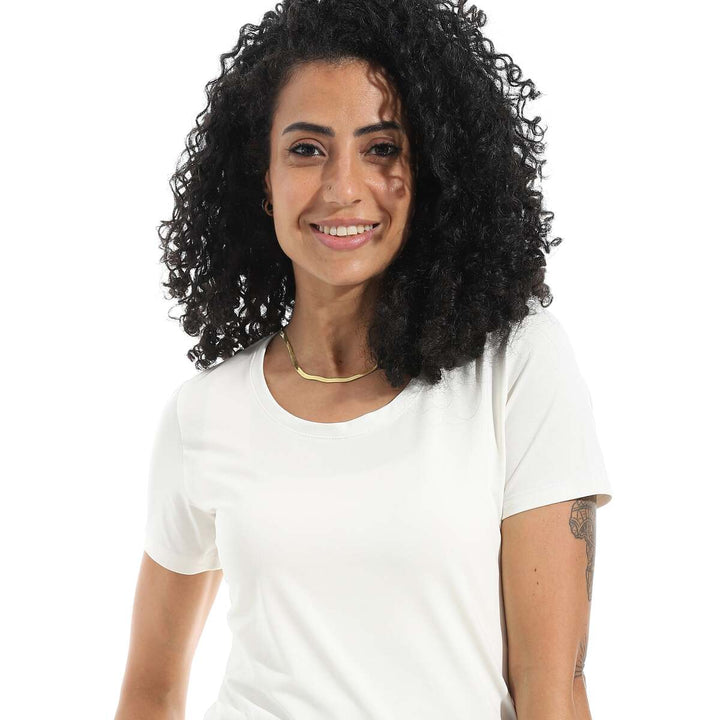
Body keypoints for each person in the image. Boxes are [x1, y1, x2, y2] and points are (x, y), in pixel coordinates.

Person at [115, 1, 613, 719]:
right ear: (263, 178)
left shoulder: (514, 367)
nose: (343, 187)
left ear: (432, 166)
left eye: (381, 148)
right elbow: (151, 689)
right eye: (306, 149)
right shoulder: (205, 412)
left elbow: (553, 689)